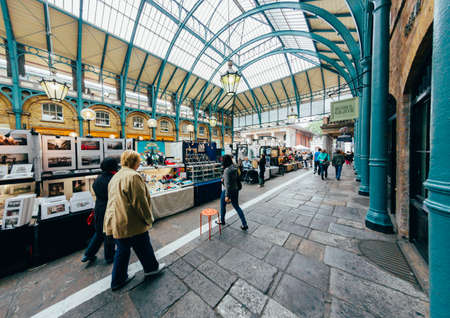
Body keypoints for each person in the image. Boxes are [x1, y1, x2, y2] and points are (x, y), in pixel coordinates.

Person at [104, 150, 165, 291]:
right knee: (139, 246)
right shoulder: (133, 176)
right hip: (131, 221)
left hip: (118, 221)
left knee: (130, 248)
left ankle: (124, 277)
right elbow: (140, 202)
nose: (139, 163)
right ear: (134, 162)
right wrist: (149, 219)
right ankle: (121, 279)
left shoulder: (116, 176)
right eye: (138, 161)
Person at [82, 158, 118, 264]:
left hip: (98, 208)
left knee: (98, 233)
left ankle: (88, 254)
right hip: (109, 208)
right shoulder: (113, 179)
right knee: (109, 233)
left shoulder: (98, 178)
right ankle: (109, 257)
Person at [216, 154, 248, 230]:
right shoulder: (235, 167)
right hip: (236, 189)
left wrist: (227, 195)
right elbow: (235, 179)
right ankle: (244, 224)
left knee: (222, 206)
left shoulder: (226, 170)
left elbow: (227, 185)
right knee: (237, 207)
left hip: (228, 191)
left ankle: (222, 220)